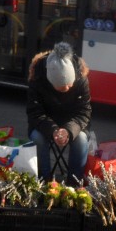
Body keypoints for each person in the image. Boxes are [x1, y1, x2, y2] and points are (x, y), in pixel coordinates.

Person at [27, 42, 92, 184]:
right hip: (45, 124)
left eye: (70, 83)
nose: (68, 88)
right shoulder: (37, 79)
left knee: (81, 140)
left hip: (74, 124)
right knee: (37, 138)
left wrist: (68, 131)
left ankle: (74, 183)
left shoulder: (81, 79)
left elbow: (84, 112)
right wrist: (53, 130)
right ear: (50, 81)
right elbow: (34, 113)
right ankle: (44, 181)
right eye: (63, 86)